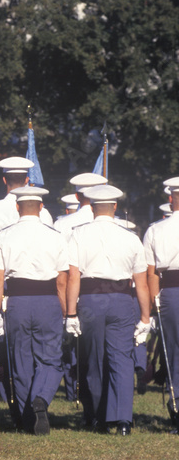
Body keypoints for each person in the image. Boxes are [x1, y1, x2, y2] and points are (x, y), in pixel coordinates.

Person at [64, 184, 151, 436]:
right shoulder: (131, 237)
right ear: (115, 207)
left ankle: (98, 417)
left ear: (91, 207)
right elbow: (142, 283)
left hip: (91, 299)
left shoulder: (78, 234)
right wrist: (145, 317)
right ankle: (123, 419)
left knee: (93, 359)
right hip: (122, 299)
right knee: (121, 359)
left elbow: (73, 277)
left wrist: (71, 313)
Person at [0, 187, 67, 435]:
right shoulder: (56, 236)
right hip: (47, 301)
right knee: (51, 359)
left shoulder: (3, 236)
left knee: (20, 361)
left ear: (17, 207)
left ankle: (24, 418)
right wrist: (66, 313)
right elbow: (62, 281)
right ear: (41, 208)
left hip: (18, 302)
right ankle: (41, 398)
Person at [145, 176, 179, 430]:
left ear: (171, 199)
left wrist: (155, 306)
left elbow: (152, 273)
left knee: (174, 351)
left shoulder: (156, 229)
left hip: (170, 293)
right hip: (170, 290)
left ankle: (177, 402)